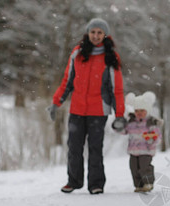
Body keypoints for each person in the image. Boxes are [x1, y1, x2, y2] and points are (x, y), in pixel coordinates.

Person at [47, 18, 125, 194]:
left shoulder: (110, 57)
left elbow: (117, 88)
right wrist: (55, 102)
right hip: (77, 109)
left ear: (105, 35)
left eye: (99, 33)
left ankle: (96, 184)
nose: (96, 36)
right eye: (93, 32)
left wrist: (119, 114)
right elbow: (67, 81)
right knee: (74, 147)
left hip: (99, 110)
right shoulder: (77, 53)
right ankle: (74, 181)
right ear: (88, 33)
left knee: (95, 148)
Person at [113, 91, 162, 193]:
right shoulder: (131, 122)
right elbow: (125, 131)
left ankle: (148, 183)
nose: (139, 113)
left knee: (144, 167)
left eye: (142, 110)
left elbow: (158, 136)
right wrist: (118, 127)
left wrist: (152, 140)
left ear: (147, 110)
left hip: (146, 150)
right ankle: (139, 185)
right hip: (133, 150)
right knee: (134, 168)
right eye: (137, 110)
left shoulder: (150, 123)